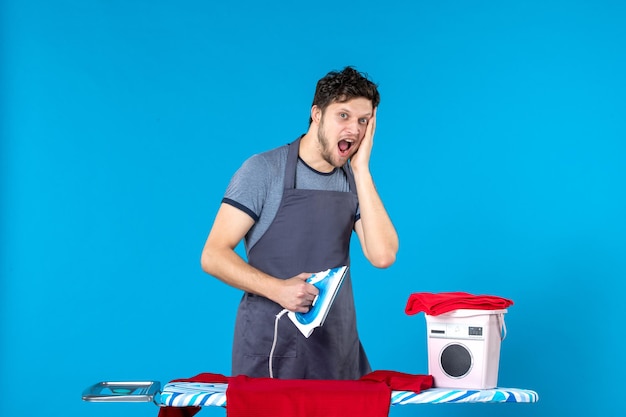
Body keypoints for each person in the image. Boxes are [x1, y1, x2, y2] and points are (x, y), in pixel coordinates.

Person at [200, 66, 399, 380]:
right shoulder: (264, 171)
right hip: (271, 351)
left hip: (337, 353)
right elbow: (213, 255)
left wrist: (361, 170)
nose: (354, 129)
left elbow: (383, 255)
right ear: (317, 114)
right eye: (343, 116)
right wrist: (277, 289)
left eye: (363, 121)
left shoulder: (354, 182)